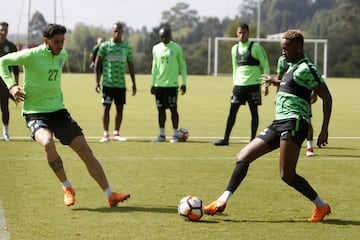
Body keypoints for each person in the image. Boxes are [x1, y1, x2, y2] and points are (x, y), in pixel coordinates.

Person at [204, 29, 332, 222]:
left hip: (295, 122)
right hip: (278, 122)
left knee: (287, 175)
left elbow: (326, 96)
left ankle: (321, 206)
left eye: (286, 49)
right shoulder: (289, 64)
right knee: (243, 156)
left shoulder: (308, 67)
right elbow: (292, 83)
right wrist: (276, 81)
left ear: (298, 48)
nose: (283, 53)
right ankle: (222, 200)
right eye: (282, 49)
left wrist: (324, 129)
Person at [0, 23, 130, 207]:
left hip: (58, 112)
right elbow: (2, 62)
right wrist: (12, 86)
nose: (60, 45)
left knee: (85, 149)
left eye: (62, 41)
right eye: (56, 42)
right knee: (47, 142)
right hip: (35, 113)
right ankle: (67, 187)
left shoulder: (63, 55)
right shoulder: (31, 55)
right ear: (46, 41)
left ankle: (110, 194)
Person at [213, 23, 270, 146]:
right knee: (232, 112)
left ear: (248, 33)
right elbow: (235, 68)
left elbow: (265, 66)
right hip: (239, 86)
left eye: (244, 33)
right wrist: (234, 85)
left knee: (254, 112)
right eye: (239, 33)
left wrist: (265, 85)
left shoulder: (256, 47)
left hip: (253, 85)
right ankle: (226, 139)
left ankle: (252, 140)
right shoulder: (234, 49)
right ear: (236, 33)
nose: (241, 35)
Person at [95, 22, 136, 143]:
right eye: (115, 31)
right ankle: (105, 134)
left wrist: (134, 83)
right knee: (106, 108)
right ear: (112, 32)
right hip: (108, 84)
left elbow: (131, 65)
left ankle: (116, 133)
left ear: (123, 32)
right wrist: (97, 81)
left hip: (120, 84)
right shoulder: (105, 46)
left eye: (119, 31)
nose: (117, 33)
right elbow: (98, 64)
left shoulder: (126, 47)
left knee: (120, 109)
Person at [150, 25, 187, 143]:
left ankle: (175, 135)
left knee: (173, 110)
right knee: (160, 110)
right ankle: (161, 135)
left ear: (170, 36)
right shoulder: (155, 48)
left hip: (172, 85)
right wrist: (153, 83)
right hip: (159, 85)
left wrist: (184, 83)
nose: (163, 39)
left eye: (165, 36)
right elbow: (154, 67)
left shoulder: (176, 48)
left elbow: (182, 66)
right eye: (161, 37)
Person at [276, 55, 317, 157]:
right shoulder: (281, 60)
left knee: (307, 121)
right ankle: (284, 147)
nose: (284, 51)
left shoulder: (306, 60)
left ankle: (309, 146)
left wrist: (314, 93)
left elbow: (313, 77)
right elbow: (280, 76)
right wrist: (276, 94)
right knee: (284, 122)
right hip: (286, 98)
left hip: (302, 97)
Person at [0, 22, 19, 141]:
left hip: (4, 83)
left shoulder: (11, 46)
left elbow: (16, 68)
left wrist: (16, 85)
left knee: (4, 107)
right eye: (1, 30)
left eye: (5, 30)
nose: (3, 32)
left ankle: (5, 132)